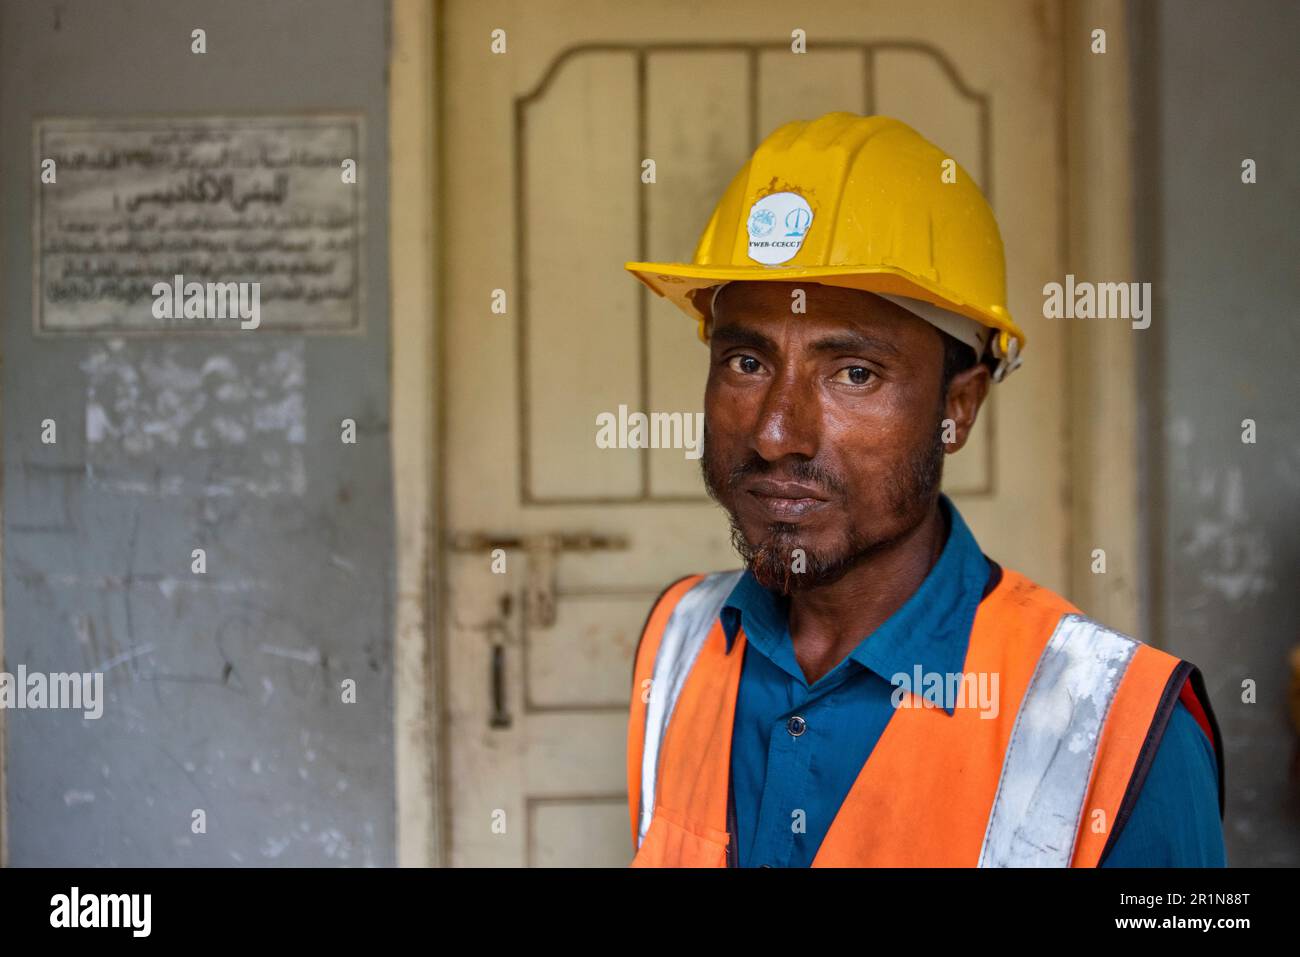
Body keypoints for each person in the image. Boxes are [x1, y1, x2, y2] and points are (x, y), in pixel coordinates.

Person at [622, 113, 1225, 867]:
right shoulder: (679, 640)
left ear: (958, 408)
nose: (777, 433)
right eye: (747, 362)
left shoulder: (1119, 728)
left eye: (854, 374)